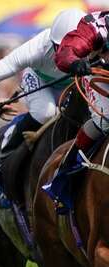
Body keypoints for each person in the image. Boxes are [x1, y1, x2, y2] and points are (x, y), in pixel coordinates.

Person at [0, 9, 84, 188]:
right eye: (60, 48)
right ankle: (3, 158)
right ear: (52, 43)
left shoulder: (98, 43)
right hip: (40, 81)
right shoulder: (36, 48)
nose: (65, 56)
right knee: (45, 112)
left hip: (75, 85)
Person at [55, 10, 109, 157]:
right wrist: (73, 62)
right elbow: (66, 52)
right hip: (100, 76)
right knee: (105, 119)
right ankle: (66, 169)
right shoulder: (95, 25)